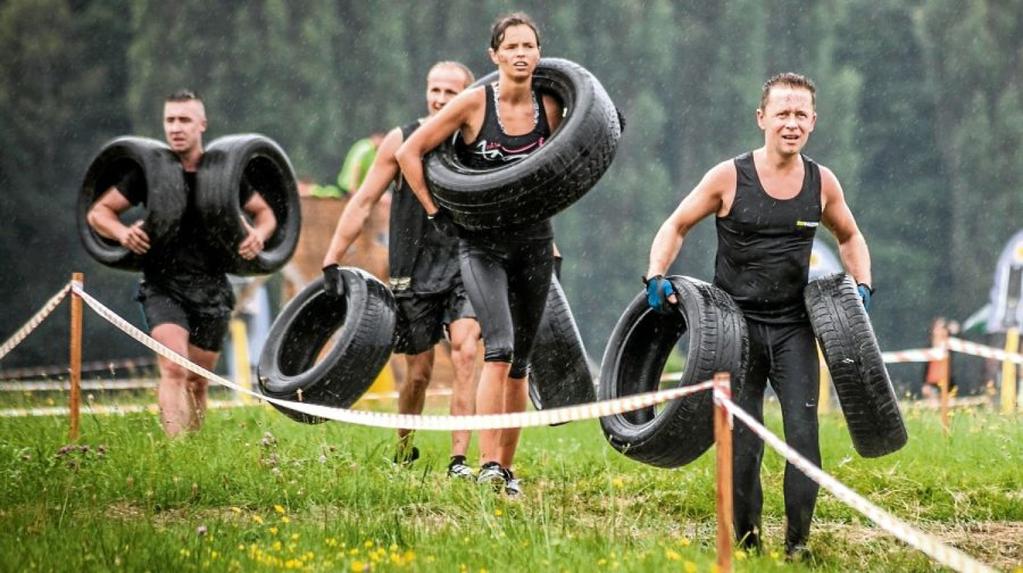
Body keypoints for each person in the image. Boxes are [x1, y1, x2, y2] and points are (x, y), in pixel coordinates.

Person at [645, 73, 873, 557]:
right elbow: (677, 224)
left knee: (804, 438)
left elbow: (850, 236)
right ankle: (748, 546)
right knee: (744, 445)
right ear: (762, 118)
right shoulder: (728, 177)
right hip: (734, 330)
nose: (791, 123)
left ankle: (797, 546)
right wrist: (655, 274)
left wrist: (863, 286)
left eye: (800, 115)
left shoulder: (822, 182)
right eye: (782, 114)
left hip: (794, 329)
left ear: (813, 121)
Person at [396, 12, 564, 497]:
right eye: (510, 45)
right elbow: (412, 152)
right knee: (500, 346)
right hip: (481, 244)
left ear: (538, 54)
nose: (520, 53)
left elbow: (588, 142)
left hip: (533, 242)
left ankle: (505, 472)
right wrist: (434, 212)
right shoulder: (473, 104)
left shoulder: (550, 108)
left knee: (521, 362)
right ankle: (487, 462)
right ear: (494, 55)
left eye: (528, 46)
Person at [322, 61, 482, 478]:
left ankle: (459, 460)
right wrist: (332, 256)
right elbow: (362, 201)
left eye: (451, 92)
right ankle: (404, 450)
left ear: (467, 95)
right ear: (425, 91)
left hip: (465, 262)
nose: (441, 99)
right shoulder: (402, 139)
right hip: (412, 268)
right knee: (419, 373)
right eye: (435, 90)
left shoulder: (478, 141)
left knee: (467, 353)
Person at [87, 90, 277, 437]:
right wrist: (121, 232)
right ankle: (175, 452)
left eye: (184, 120)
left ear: (201, 125)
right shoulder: (148, 173)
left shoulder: (223, 172)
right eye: (170, 120)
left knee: (197, 381)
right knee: (174, 367)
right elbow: (98, 212)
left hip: (211, 286)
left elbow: (266, 214)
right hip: (162, 284)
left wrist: (260, 236)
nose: (176, 128)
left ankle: (193, 449)